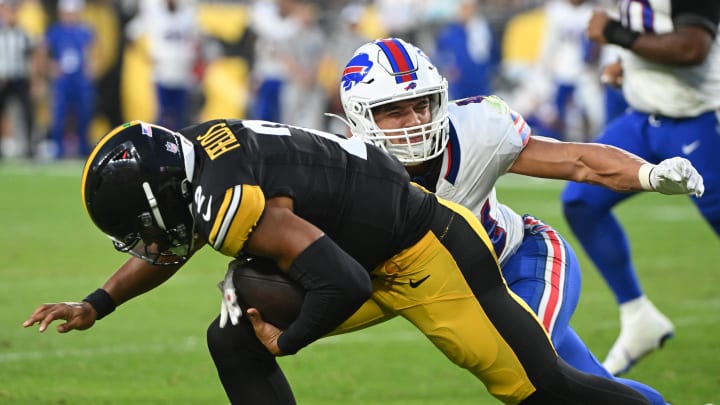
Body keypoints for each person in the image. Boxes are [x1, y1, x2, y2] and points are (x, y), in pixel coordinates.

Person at [24, 118, 653, 404]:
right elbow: (177, 242)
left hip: (427, 252)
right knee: (232, 334)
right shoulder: (199, 162)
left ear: (162, 198)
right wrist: (97, 303)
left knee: (543, 390)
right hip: (361, 247)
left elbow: (344, 283)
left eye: (141, 226)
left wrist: (287, 339)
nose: (146, 240)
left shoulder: (228, 199)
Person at [334, 38, 705, 404]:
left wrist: (648, 175)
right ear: (359, 116)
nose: (415, 122)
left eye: (422, 105)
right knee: (588, 383)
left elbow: (578, 160)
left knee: (533, 374)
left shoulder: (476, 131)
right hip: (438, 291)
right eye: (396, 111)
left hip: (517, 262)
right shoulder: (338, 173)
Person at [561, 1, 720, 376]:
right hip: (644, 118)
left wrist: (615, 35)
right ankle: (638, 317)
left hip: (700, 118)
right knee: (582, 200)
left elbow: (690, 47)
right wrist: (633, 67)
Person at [125, 0, 202, 130]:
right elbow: (130, 34)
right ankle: (158, 147)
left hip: (183, 75)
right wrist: (144, 55)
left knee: (181, 116)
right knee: (162, 115)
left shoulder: (188, 15)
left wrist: (193, 58)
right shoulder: (154, 15)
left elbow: (197, 40)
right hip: (162, 74)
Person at [40, 0, 95, 159]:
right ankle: (58, 149)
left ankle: (85, 150)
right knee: (59, 115)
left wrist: (90, 69)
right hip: (62, 81)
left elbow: (95, 52)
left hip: (80, 81)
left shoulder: (85, 31)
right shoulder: (55, 31)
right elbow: (43, 52)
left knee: (84, 115)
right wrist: (51, 67)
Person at [0, 0, 39, 159]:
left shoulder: (24, 35)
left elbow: (32, 58)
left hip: (20, 79)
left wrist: (35, 81)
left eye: (13, 11)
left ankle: (30, 147)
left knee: (28, 112)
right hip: (2, 79)